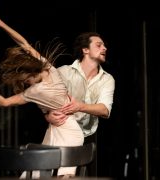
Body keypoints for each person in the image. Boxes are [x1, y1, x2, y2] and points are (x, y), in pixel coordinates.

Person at [0, 4, 84, 178]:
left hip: (69, 131)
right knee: (34, 175)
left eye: (26, 80)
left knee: (63, 175)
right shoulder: (42, 78)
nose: (27, 83)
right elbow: (4, 101)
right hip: (55, 130)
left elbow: (23, 44)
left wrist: (1, 24)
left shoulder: (44, 76)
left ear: (32, 71)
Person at [45, 32, 115, 176]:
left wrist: (80, 106)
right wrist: (47, 115)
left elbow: (105, 110)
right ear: (85, 50)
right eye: (99, 45)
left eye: (104, 45)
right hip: (61, 130)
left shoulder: (107, 79)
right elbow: (44, 98)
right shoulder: (64, 72)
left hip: (88, 137)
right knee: (44, 171)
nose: (104, 48)